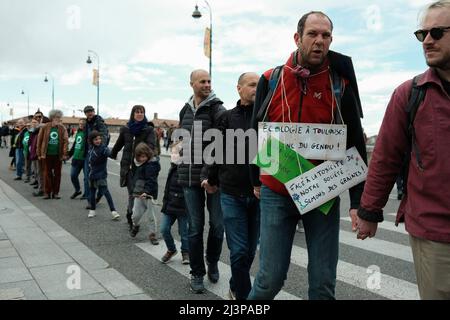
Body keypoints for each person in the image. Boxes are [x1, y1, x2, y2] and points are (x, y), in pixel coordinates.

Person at [248, 11, 367, 300]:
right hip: (277, 192)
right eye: (313, 34)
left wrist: (356, 201)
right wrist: (255, 180)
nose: (319, 41)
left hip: (322, 193)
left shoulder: (341, 84)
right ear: (297, 38)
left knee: (323, 285)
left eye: (325, 36)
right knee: (268, 280)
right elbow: (255, 130)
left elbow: (356, 142)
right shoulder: (270, 78)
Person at [357, 0, 450, 300]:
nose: (427, 41)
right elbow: (385, 156)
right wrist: (370, 211)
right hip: (435, 231)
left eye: (436, 32)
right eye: (421, 34)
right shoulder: (409, 94)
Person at [204, 72, 261, 300]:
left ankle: (235, 285)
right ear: (239, 88)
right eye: (252, 85)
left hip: (259, 195)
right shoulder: (226, 118)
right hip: (231, 194)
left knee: (248, 252)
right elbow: (217, 152)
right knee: (238, 251)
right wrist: (212, 180)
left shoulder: (267, 116)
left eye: (260, 85)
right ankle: (244, 299)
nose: (256, 88)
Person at [177, 69, 226, 294]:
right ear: (191, 84)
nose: (207, 85)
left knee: (217, 225)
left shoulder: (218, 109)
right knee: (194, 228)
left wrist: (211, 175)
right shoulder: (184, 110)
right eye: (202, 81)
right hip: (189, 177)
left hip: (213, 178)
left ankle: (213, 261)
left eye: (209, 81)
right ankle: (197, 272)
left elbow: (221, 145)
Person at [110, 105, 156, 230]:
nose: (139, 114)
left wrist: (145, 154)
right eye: (137, 112)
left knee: (139, 194)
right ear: (133, 114)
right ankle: (131, 217)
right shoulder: (126, 129)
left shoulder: (148, 130)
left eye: (142, 112)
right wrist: (112, 154)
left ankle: (134, 216)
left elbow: (152, 146)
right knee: (132, 194)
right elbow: (119, 143)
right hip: (128, 168)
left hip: (141, 168)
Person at [160, 140, 189, 265]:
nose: (173, 156)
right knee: (164, 229)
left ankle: (185, 252)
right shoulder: (172, 169)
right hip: (170, 206)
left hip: (183, 207)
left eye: (176, 153)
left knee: (184, 233)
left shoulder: (187, 169)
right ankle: (171, 249)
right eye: (172, 153)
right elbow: (168, 188)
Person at [129, 143, 161, 244]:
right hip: (139, 193)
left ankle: (152, 234)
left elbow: (151, 180)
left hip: (149, 194)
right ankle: (136, 225)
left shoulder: (152, 165)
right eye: (140, 157)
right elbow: (135, 177)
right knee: (135, 215)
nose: (142, 159)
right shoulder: (137, 163)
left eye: (144, 156)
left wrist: (146, 192)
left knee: (151, 216)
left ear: (148, 154)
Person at [87, 130, 120, 220]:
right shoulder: (91, 148)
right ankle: (92, 210)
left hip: (101, 175)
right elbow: (89, 161)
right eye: (95, 139)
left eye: (99, 139)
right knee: (92, 194)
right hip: (92, 175)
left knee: (106, 193)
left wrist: (113, 155)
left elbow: (109, 154)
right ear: (91, 141)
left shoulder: (103, 148)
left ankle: (113, 211)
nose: (98, 141)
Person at [36, 110, 69, 200]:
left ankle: (56, 193)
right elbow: (39, 140)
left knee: (57, 174)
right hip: (46, 155)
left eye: (59, 118)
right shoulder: (45, 127)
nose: (58, 119)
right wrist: (39, 153)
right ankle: (47, 192)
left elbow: (66, 141)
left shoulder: (62, 128)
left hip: (58, 155)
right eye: (57, 117)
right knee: (47, 174)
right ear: (52, 118)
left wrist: (64, 153)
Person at [83, 106, 109, 206]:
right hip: (88, 154)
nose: (90, 113)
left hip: (98, 154)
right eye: (87, 112)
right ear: (85, 113)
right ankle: (90, 200)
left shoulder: (99, 122)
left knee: (100, 179)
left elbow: (103, 137)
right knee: (87, 177)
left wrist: (100, 150)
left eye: (91, 111)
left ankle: (98, 196)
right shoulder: (86, 124)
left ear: (94, 112)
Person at [68, 119, 87, 199]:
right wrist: (69, 154)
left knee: (86, 178)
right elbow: (75, 145)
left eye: (83, 123)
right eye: (80, 123)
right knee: (73, 175)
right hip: (76, 158)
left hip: (85, 158)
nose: (81, 125)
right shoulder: (78, 133)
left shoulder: (88, 133)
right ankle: (77, 190)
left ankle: (87, 194)